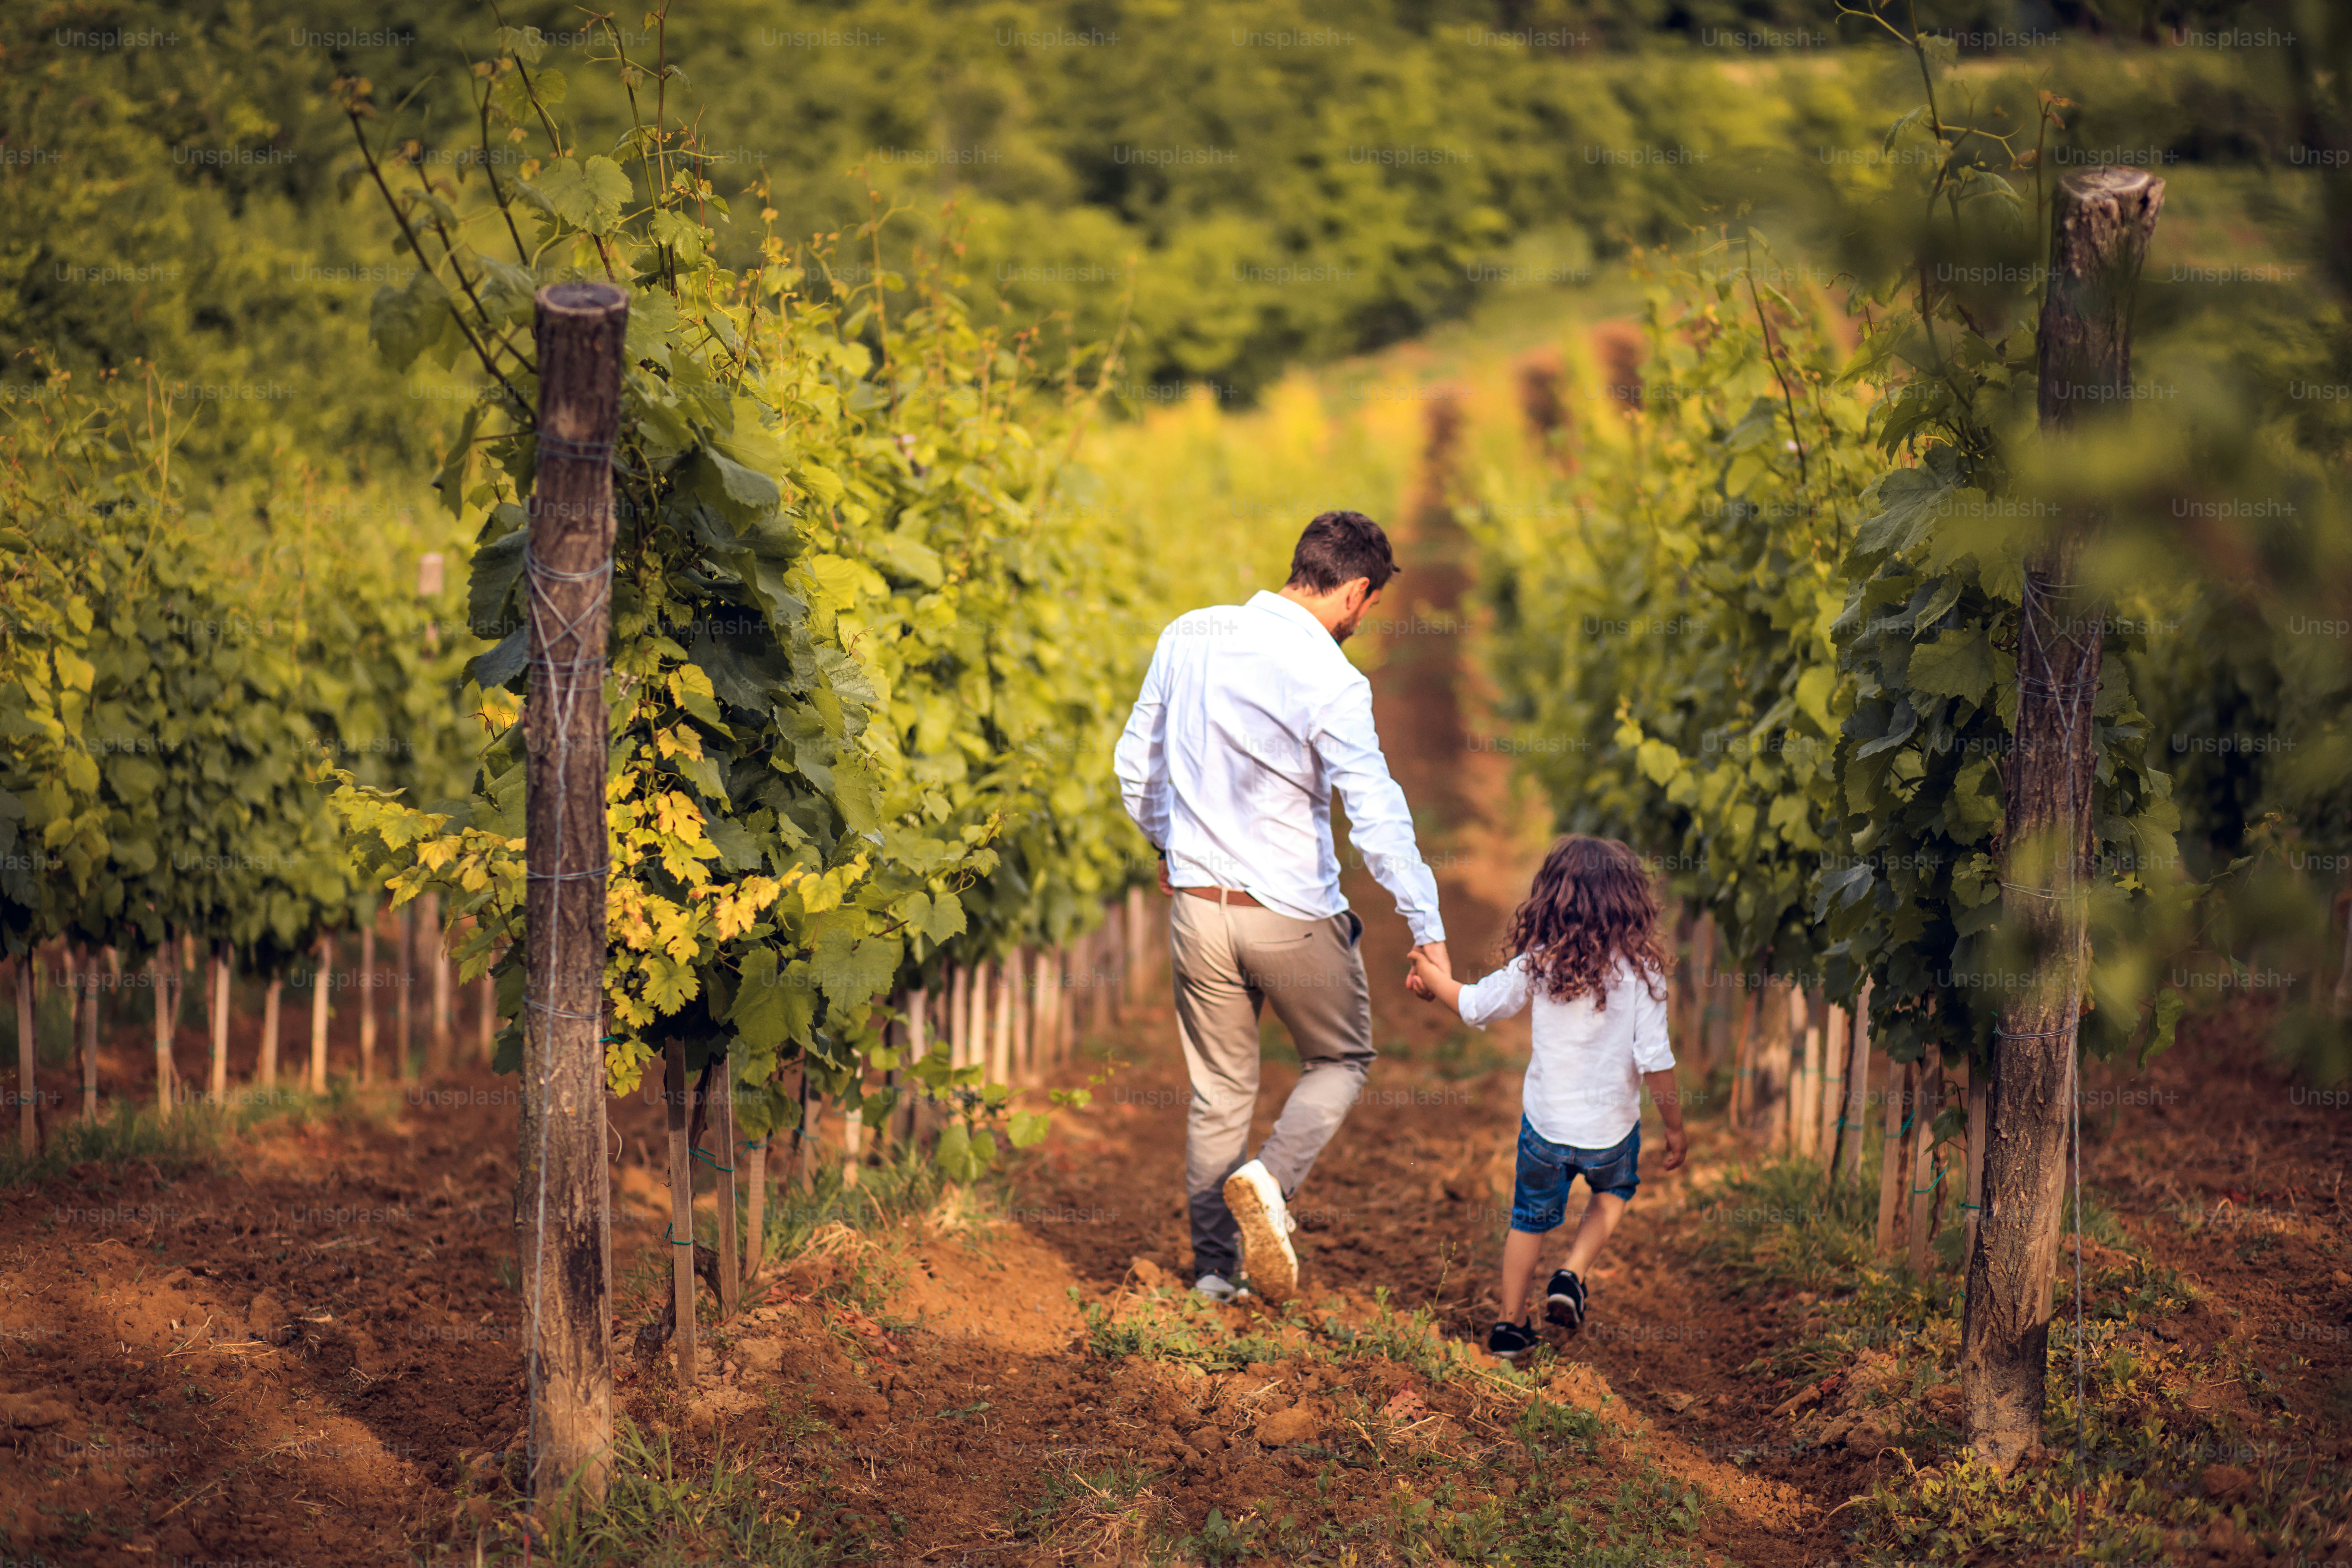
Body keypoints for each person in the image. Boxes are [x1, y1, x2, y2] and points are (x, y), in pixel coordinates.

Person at [1114, 510, 1449, 1304]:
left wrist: (1169, 849)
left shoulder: (1186, 633)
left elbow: (1137, 764)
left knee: (1218, 1093)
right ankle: (1271, 1176)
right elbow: (1374, 812)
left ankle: (1212, 1273)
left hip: (1198, 909)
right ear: (1356, 592)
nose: (1362, 624)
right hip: (1291, 913)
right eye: (1367, 610)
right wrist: (1426, 926)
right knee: (1340, 1059)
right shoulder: (1332, 678)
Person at [1405, 834, 1687, 1360]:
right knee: (1615, 1191)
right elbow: (1656, 1059)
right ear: (1630, 902)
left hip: (1545, 1130)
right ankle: (1571, 1273)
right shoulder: (1644, 974)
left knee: (1527, 1220)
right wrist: (1675, 1127)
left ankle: (1510, 1326)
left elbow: (1473, 1006)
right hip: (1611, 1132)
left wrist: (1430, 977)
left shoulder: (1538, 963)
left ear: (1551, 899)